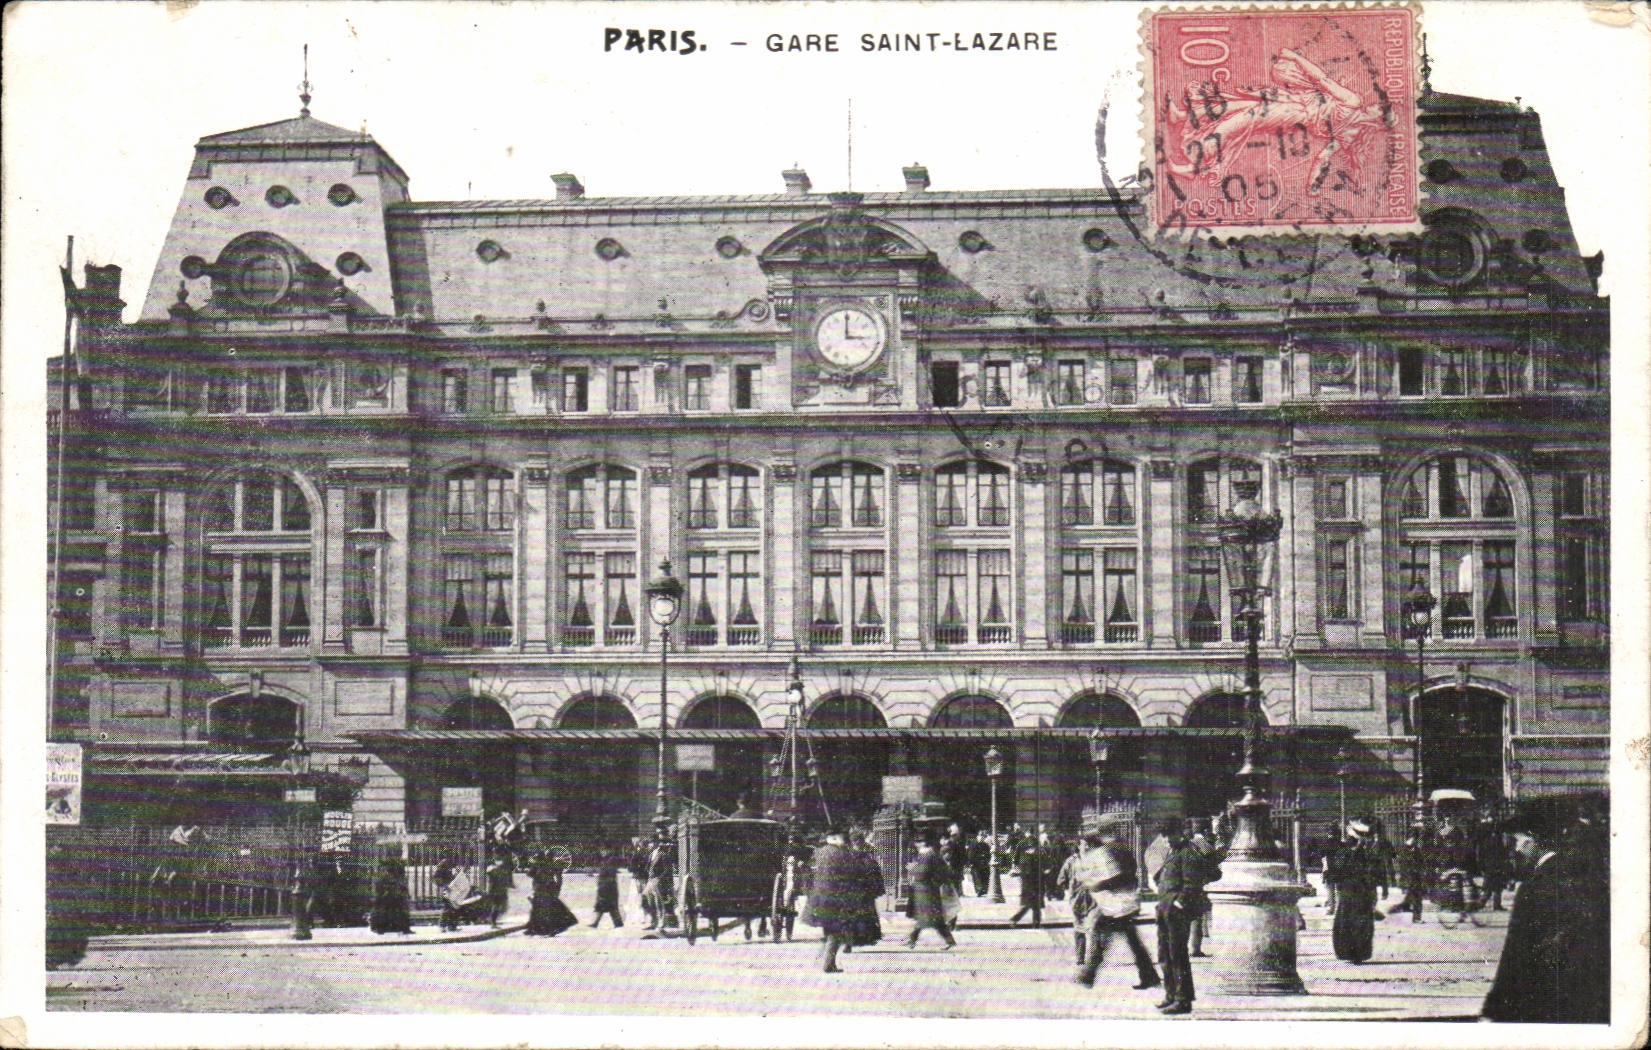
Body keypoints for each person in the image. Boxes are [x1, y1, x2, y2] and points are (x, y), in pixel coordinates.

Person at [1482, 797, 1609, 1024]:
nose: (1516, 849)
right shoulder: (1583, 878)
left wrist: (1496, 1009)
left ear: (1536, 840)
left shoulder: (1535, 886)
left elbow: (1516, 955)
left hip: (1540, 1002)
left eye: (1519, 840)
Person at [1072, 813, 1160, 992]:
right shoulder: (1117, 846)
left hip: (1120, 903)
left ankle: (1088, 975)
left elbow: (1121, 875)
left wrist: (1100, 884)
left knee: (1101, 934)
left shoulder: (1114, 848)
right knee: (1131, 941)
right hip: (1120, 903)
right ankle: (1148, 976)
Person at [802, 828, 883, 972]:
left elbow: (810, 873)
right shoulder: (844, 855)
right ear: (838, 838)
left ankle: (826, 961)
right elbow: (853, 875)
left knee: (830, 930)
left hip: (819, 898)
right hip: (837, 898)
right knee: (836, 931)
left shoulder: (819, 852)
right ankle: (828, 963)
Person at [1152, 822, 1211, 1015]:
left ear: (1180, 833)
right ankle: (1170, 994)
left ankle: (1183, 999)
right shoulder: (1173, 852)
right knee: (1164, 954)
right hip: (1164, 909)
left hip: (1176, 913)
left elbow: (1191, 883)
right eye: (1165, 836)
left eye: (1171, 835)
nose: (1168, 840)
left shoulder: (1188, 852)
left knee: (1177, 955)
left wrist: (1179, 903)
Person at [1326, 819, 1386, 963]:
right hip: (1349, 891)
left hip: (1360, 892)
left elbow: (1373, 871)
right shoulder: (1345, 851)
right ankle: (1350, 952)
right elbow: (1338, 871)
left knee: (1359, 923)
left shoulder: (1366, 853)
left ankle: (1358, 953)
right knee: (1350, 922)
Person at [903, 832, 958, 950]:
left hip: (927, 891)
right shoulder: (923, 855)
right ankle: (949, 941)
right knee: (930, 917)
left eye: (919, 842)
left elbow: (934, 872)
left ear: (924, 843)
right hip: (921, 890)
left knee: (928, 917)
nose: (916, 844)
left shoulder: (930, 855)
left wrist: (934, 882)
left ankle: (912, 940)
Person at [523, 849, 579, 937]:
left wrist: (557, 888)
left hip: (545, 890)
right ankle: (534, 928)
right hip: (543, 889)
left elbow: (557, 878)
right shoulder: (542, 865)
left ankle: (545, 929)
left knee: (545, 910)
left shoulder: (546, 865)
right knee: (539, 909)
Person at [369, 857, 413, 934]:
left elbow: (403, 889)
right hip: (384, 900)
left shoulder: (398, 878)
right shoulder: (380, 879)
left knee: (402, 907)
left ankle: (403, 927)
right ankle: (379, 927)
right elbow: (377, 893)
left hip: (395, 899)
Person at [1008, 834, 1042, 926]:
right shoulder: (1034, 847)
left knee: (1033, 904)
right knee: (1031, 903)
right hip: (1032, 879)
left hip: (1029, 879)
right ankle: (1015, 919)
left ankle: (1036, 923)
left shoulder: (1022, 845)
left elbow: (1015, 859)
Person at [590, 848, 624, 928]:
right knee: (609, 907)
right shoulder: (606, 860)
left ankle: (596, 923)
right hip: (607, 886)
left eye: (603, 850)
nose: (602, 852)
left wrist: (603, 886)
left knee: (604, 906)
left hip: (608, 887)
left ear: (608, 850)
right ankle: (617, 923)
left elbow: (609, 874)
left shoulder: (610, 860)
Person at [484, 853, 513, 927]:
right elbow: (491, 881)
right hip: (496, 890)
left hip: (498, 890)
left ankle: (493, 921)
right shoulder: (496, 870)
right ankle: (493, 922)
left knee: (496, 906)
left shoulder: (495, 869)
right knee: (496, 906)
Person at [968, 831, 992, 897]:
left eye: (983, 836)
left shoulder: (985, 845)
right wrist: (970, 862)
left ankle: (984, 890)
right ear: (977, 836)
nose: (982, 837)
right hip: (976, 863)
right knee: (977, 877)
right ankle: (979, 890)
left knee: (985, 875)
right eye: (980, 836)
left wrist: (987, 860)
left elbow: (988, 855)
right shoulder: (973, 844)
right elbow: (970, 855)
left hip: (984, 863)